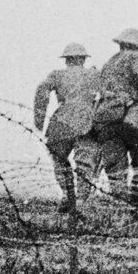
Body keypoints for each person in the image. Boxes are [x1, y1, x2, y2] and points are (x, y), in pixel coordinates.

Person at [93, 29, 138, 215]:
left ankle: (121, 209)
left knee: (116, 169)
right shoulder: (135, 57)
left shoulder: (109, 64)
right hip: (130, 118)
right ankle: (134, 207)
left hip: (106, 121)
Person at [34, 43, 103, 213]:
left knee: (60, 161)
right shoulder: (94, 74)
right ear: (83, 59)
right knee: (85, 163)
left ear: (66, 60)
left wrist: (39, 120)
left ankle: (67, 193)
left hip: (61, 122)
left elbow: (41, 91)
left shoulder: (56, 75)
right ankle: (80, 199)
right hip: (87, 122)